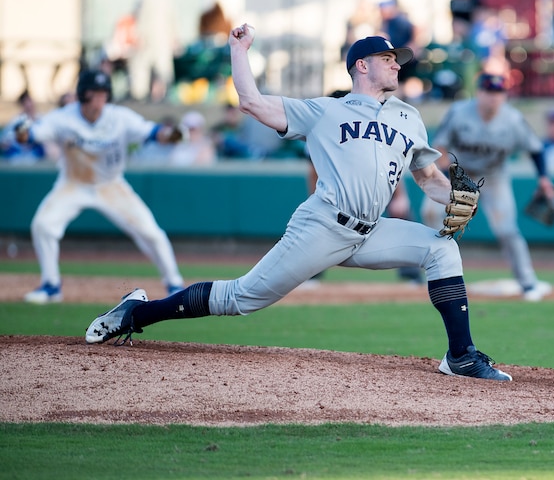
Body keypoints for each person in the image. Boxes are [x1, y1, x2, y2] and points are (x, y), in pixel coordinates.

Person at [84, 29, 512, 382]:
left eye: (397, 58)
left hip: (372, 230)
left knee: (441, 248)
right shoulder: (324, 111)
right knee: (241, 297)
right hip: (323, 226)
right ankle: (135, 313)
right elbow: (251, 102)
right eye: (387, 58)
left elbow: (426, 176)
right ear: (361, 65)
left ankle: (460, 356)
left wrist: (456, 197)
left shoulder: (409, 117)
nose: (397, 63)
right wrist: (238, 51)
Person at [17, 69, 186, 303]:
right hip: (73, 184)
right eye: (94, 93)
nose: (100, 98)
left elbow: (154, 132)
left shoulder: (119, 117)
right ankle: (51, 286)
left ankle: (174, 285)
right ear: (83, 94)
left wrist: (171, 135)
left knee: (151, 232)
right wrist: (22, 131)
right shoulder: (63, 118)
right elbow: (32, 134)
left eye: (103, 93)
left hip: (110, 185)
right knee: (43, 225)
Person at [421, 73, 554, 302]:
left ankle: (528, 282)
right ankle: (431, 277)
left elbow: (535, 149)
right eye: (489, 92)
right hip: (459, 173)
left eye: (499, 93)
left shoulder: (512, 119)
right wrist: (443, 179)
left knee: (506, 230)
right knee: (431, 214)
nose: (494, 98)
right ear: (479, 93)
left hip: (494, 177)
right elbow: (440, 146)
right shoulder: (459, 112)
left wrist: (543, 178)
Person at [128, 0, 178, 103]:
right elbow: (172, 18)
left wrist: (138, 37)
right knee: (163, 67)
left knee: (141, 66)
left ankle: (140, 95)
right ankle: (163, 94)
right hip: (163, 38)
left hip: (148, 38)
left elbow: (139, 19)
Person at [0, 90, 48, 165]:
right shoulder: (16, 120)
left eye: (30, 102)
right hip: (17, 155)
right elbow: (5, 140)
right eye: (26, 103)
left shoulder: (41, 118)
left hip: (37, 154)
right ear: (22, 105)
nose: (29, 105)